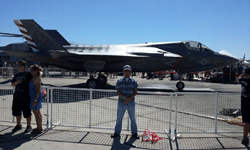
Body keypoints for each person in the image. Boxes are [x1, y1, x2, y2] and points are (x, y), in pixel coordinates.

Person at [11, 60, 41, 133]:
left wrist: (39, 76)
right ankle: (18, 125)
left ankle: (28, 126)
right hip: (17, 95)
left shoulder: (28, 73)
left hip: (26, 96)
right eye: (17, 66)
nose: (17, 67)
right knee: (17, 111)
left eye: (19, 66)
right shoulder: (16, 74)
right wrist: (16, 83)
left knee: (27, 112)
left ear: (23, 66)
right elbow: (12, 84)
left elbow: (39, 73)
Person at [111, 65, 139, 139]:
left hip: (131, 102)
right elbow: (118, 91)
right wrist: (124, 97)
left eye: (129, 71)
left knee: (132, 118)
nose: (127, 72)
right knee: (119, 118)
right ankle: (117, 133)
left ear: (131, 72)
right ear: (123, 71)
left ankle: (134, 133)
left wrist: (129, 98)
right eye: (126, 70)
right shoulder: (119, 81)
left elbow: (135, 92)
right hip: (121, 102)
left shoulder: (134, 81)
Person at [29, 64, 43, 133]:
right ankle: (38, 126)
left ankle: (39, 128)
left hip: (36, 97)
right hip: (32, 96)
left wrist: (35, 100)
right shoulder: (33, 78)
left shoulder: (37, 80)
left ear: (35, 71)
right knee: (36, 112)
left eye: (31, 70)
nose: (30, 71)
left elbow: (38, 91)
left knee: (37, 113)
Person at [238, 67, 250, 145]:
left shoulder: (242, 80)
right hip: (249, 104)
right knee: (248, 123)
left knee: (247, 122)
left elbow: (239, 77)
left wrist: (243, 74)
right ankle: (245, 138)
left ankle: (245, 138)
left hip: (244, 104)